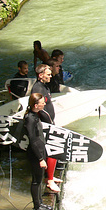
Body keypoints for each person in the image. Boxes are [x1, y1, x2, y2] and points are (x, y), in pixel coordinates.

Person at [32, 64, 61, 193]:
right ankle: (49, 180)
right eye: (48, 74)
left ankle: (51, 176)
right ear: (40, 75)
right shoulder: (37, 88)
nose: (50, 76)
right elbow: (39, 108)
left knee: (52, 151)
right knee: (53, 151)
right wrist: (49, 124)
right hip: (45, 124)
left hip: (49, 123)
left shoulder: (44, 86)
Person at [23, 93, 53, 210]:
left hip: (40, 150)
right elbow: (33, 140)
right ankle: (37, 206)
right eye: (42, 102)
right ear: (36, 105)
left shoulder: (35, 115)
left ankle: (40, 202)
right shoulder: (30, 118)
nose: (44, 103)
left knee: (40, 179)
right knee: (36, 180)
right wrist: (40, 158)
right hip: (35, 153)